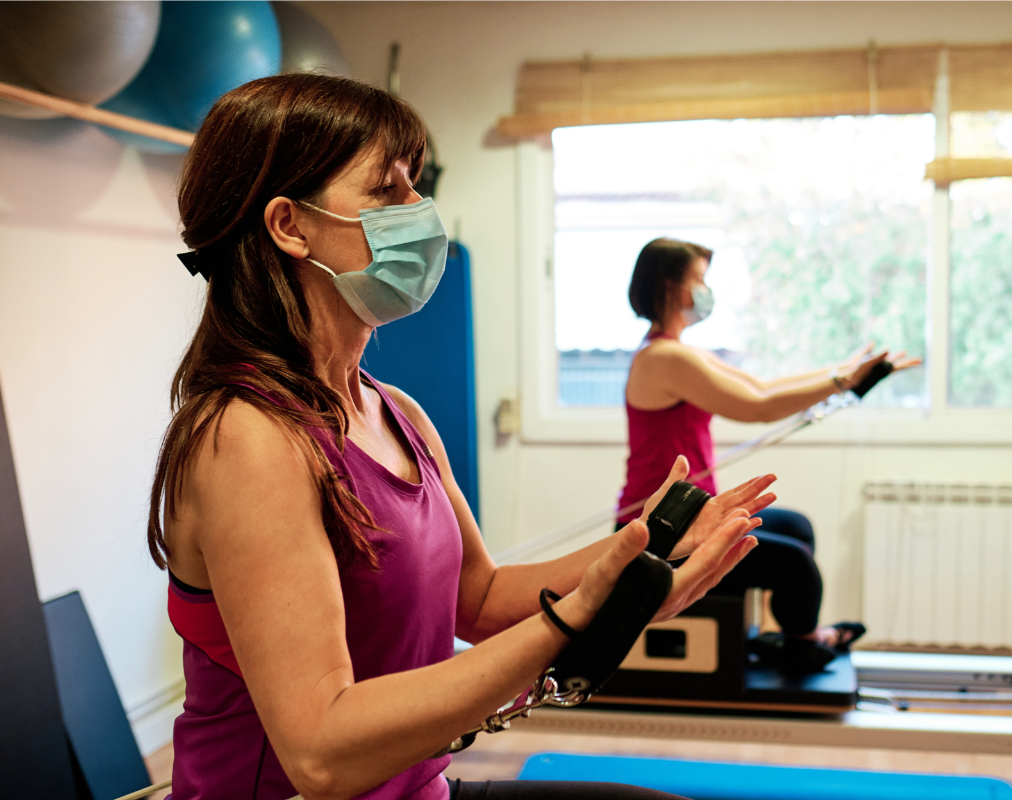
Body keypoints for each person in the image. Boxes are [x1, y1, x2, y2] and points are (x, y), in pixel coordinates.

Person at [148, 75, 778, 800]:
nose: (421, 213)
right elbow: (320, 753)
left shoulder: (395, 412)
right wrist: (578, 622)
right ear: (289, 226)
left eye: (417, 187)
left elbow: (475, 600)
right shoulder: (249, 437)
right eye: (387, 192)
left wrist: (641, 549)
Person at [617, 238, 921, 671]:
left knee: (795, 528)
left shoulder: (674, 352)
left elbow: (762, 386)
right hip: (661, 532)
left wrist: (843, 373)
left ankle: (778, 636)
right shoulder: (665, 359)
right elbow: (757, 408)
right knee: (795, 566)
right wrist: (842, 381)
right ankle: (803, 646)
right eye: (699, 280)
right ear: (670, 286)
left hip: (691, 514)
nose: (705, 291)